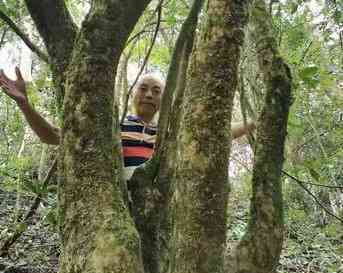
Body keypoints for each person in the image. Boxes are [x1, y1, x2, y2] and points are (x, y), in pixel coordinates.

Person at [0, 67, 255, 180]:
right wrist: (24, 103)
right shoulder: (115, 125)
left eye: (156, 91)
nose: (149, 95)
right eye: (143, 89)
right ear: (133, 94)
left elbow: (214, 132)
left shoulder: (167, 132)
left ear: (164, 100)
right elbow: (53, 135)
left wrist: (255, 122)